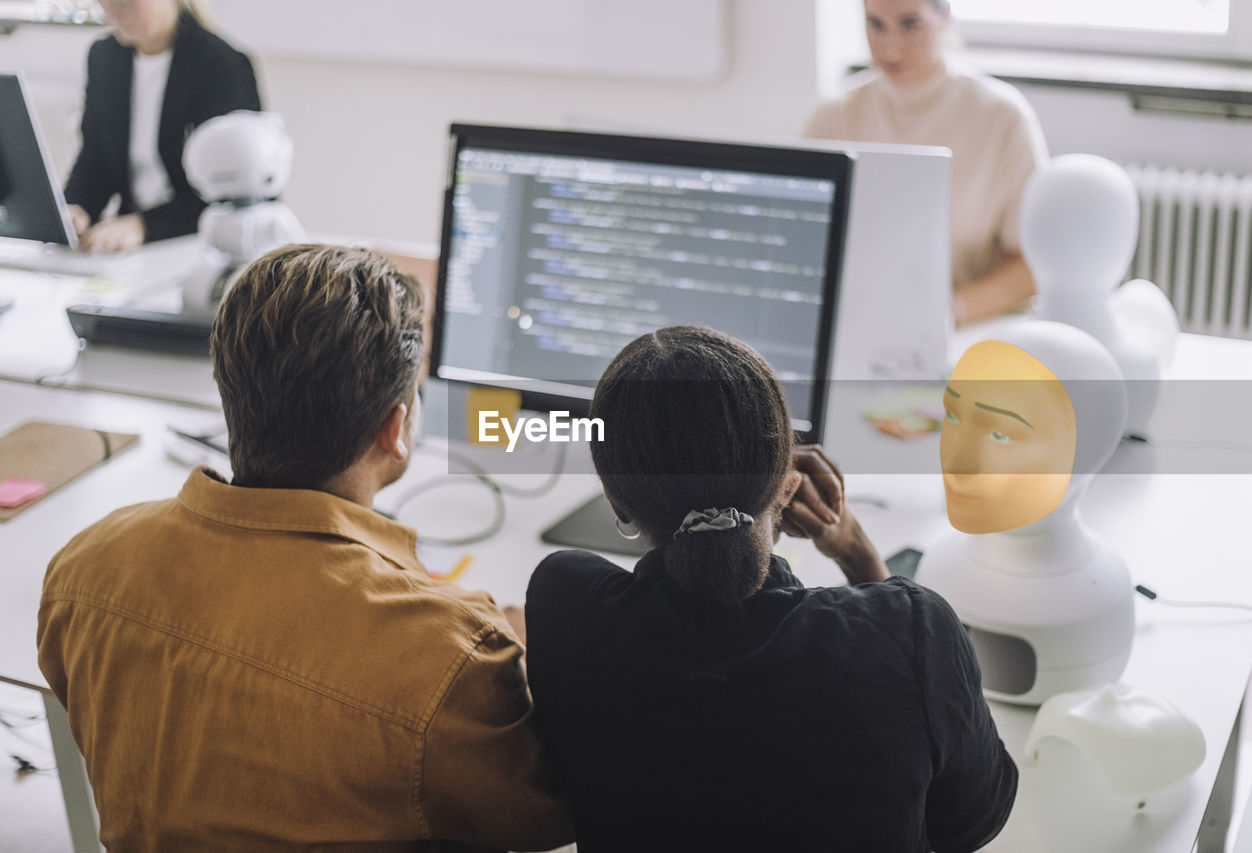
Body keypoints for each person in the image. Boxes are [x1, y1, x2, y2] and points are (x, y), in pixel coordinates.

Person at [37, 245, 572, 851]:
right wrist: (528, 657)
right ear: (395, 431)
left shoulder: (86, 568)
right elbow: (545, 816)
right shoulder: (448, 658)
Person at [524, 325, 1017, 852]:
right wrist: (854, 550)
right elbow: (970, 822)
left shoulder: (566, 608)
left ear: (616, 502)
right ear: (786, 482)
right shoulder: (915, 633)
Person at [802, 0, 1049, 325]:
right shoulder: (834, 115)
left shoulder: (1002, 117)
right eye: (875, 24)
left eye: (910, 24)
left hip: (971, 328)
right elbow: (803, 238)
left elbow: (1035, 265)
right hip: (862, 324)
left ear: (944, 17)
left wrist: (946, 314)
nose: (890, 46)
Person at [64, 0, 261, 252]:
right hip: (133, 243)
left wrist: (144, 225)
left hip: (200, 240)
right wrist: (75, 209)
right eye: (105, 3)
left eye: (124, 4)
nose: (111, 17)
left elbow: (228, 192)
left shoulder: (221, 64)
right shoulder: (104, 57)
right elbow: (95, 159)